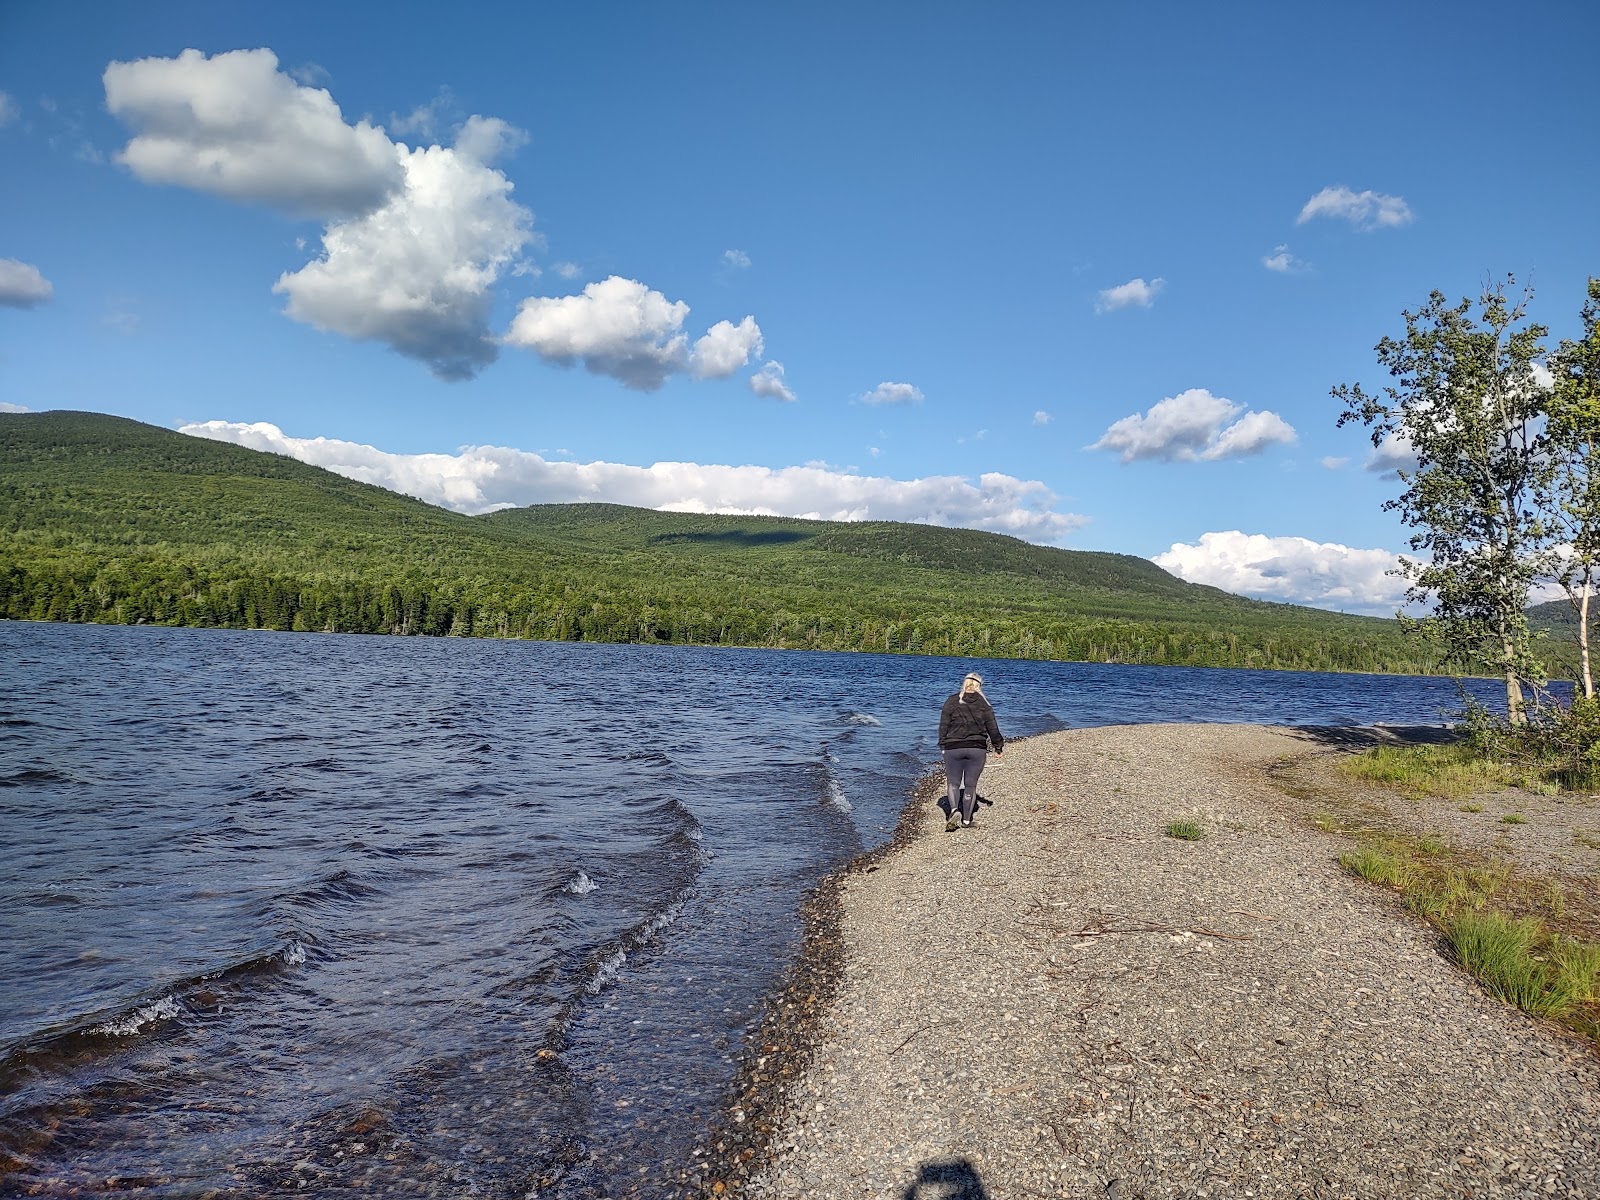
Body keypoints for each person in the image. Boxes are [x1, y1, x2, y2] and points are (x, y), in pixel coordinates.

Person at [937, 671, 1004, 831]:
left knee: (953, 783)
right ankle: (966, 821)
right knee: (970, 786)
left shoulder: (952, 701)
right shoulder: (984, 704)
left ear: (964, 683)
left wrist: (942, 745)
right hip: (976, 749)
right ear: (979, 686)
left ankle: (954, 810)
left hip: (953, 747)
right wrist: (998, 746)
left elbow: (943, 725)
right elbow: (993, 728)